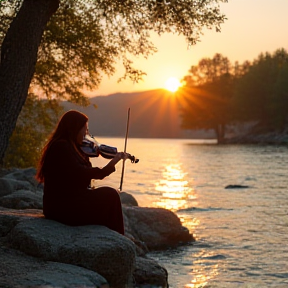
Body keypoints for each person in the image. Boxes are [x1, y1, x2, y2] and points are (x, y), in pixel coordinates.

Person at [36, 110, 127, 235]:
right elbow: (82, 173)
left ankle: (114, 237)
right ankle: (117, 237)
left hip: (69, 202)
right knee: (111, 195)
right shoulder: (61, 147)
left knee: (108, 199)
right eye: (84, 129)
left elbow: (79, 173)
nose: (86, 133)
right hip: (62, 207)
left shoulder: (72, 146)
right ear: (74, 128)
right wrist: (113, 162)